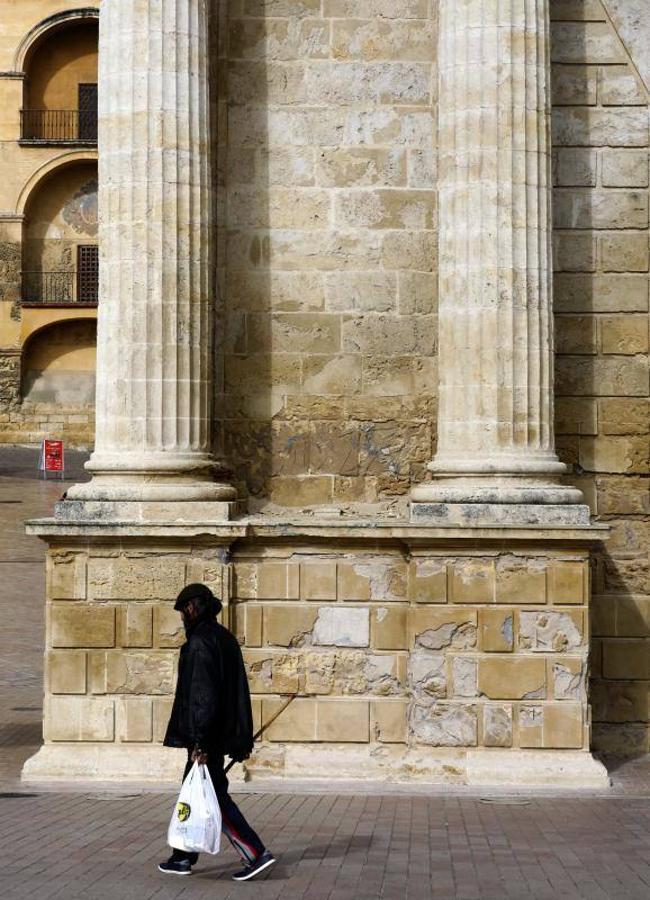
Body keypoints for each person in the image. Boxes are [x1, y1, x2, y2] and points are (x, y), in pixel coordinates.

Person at [158, 583, 275, 882]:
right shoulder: (224, 638)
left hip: (207, 737)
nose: (182, 617)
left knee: (213, 798)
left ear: (192, 608)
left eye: (183, 611)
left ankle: (254, 852)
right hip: (219, 734)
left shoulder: (200, 642)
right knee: (196, 793)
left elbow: (203, 696)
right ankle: (182, 856)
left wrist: (200, 741)